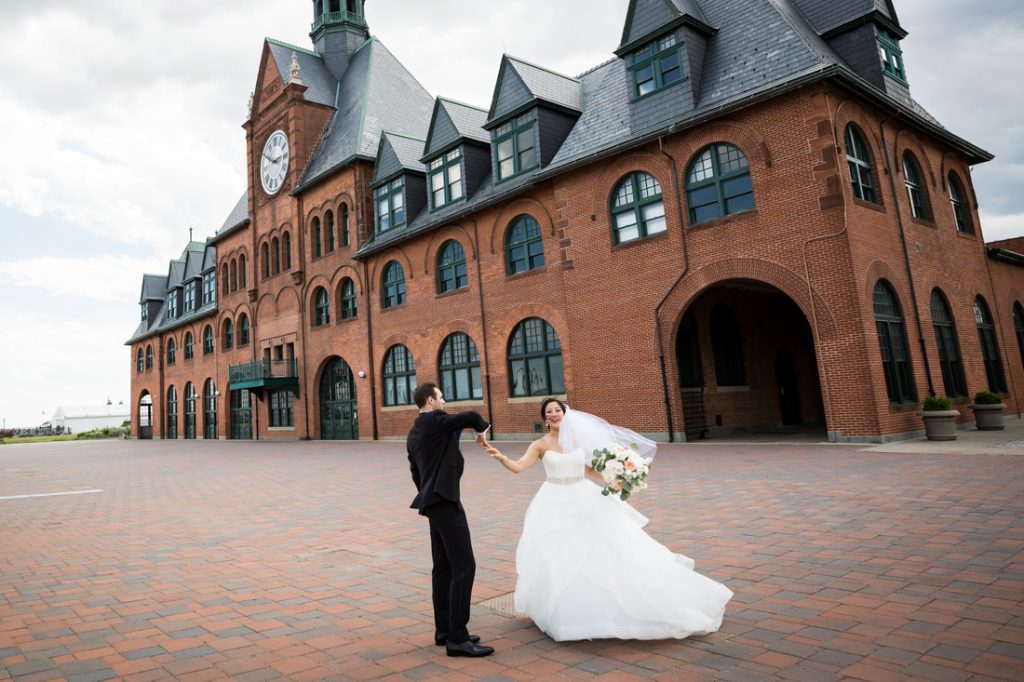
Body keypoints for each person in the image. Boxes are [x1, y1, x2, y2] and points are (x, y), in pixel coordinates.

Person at [480, 398, 733, 642]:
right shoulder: (539, 445)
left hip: (584, 498)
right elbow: (519, 467)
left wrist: (620, 475)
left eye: (557, 410)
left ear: (564, 414)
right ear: (544, 419)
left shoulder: (579, 442)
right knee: (561, 553)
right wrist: (500, 457)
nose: (553, 415)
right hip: (553, 503)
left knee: (602, 548)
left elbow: (590, 470)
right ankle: (566, 609)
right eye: (548, 412)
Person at [407, 382, 495, 657]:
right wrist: (482, 431)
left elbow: (415, 471)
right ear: (430, 401)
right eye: (441, 397)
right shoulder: (436, 419)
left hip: (432, 501)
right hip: (445, 501)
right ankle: (458, 637)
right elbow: (470, 416)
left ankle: (444, 629)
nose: (444, 401)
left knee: (443, 567)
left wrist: (429, 491)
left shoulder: (415, 430)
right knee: (464, 565)